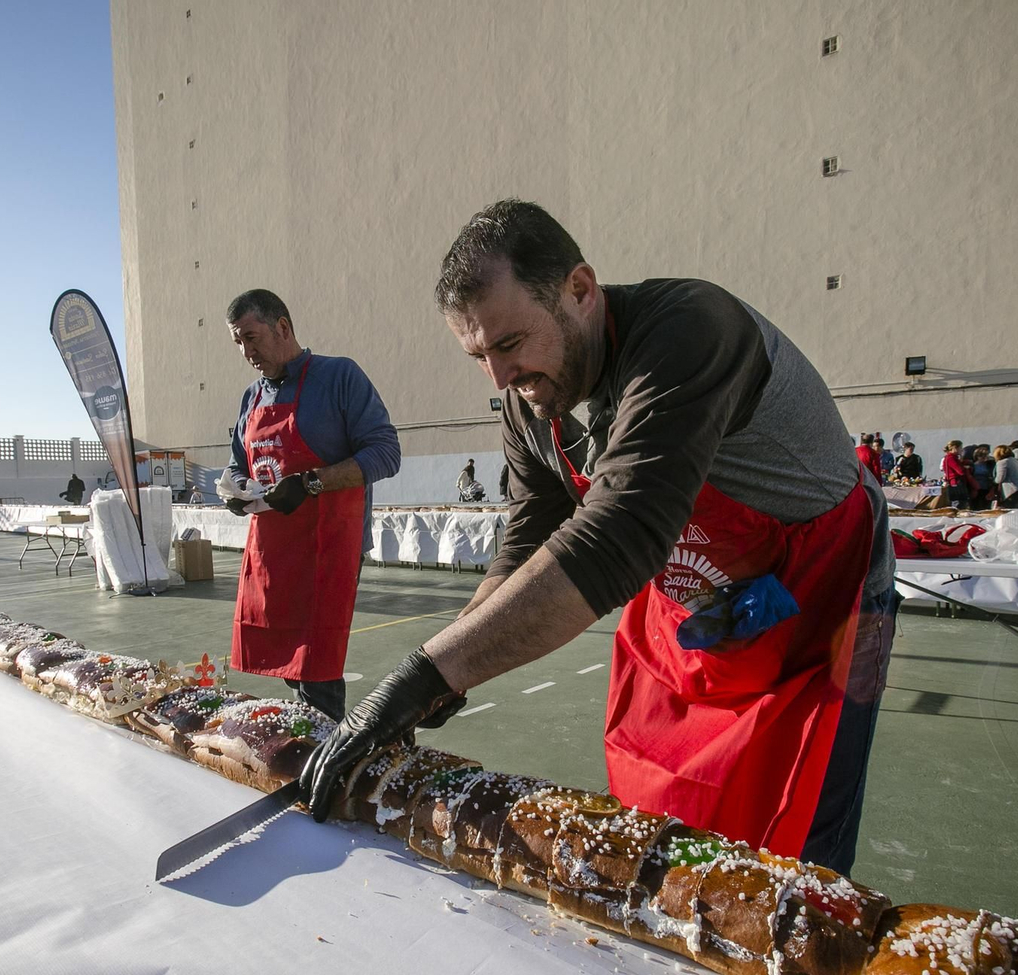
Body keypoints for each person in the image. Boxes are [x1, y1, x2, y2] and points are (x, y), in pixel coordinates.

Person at [299, 199, 898, 875]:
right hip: (698, 610)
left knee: (795, 857)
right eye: (477, 355)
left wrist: (422, 673)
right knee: (657, 830)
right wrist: (442, 674)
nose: (498, 379)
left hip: (821, 601)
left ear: (579, 290)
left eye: (508, 344)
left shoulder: (689, 332)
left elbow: (619, 536)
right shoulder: (533, 402)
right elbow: (526, 544)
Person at [219, 289, 401, 720]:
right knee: (290, 664)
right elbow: (237, 463)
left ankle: (326, 758)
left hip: (328, 547)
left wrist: (311, 483)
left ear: (283, 327)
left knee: (317, 669)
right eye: (238, 342)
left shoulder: (339, 377)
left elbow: (386, 453)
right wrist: (237, 491)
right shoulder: (252, 398)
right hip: (272, 550)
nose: (247, 351)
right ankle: (311, 740)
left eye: (252, 337)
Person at [991, 444, 1018, 508]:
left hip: (1015, 489)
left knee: (1009, 507)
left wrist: (993, 481)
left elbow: (1000, 478)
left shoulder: (1002, 462)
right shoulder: (1013, 460)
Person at [941, 440, 971, 509]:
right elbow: (960, 471)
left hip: (955, 482)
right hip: (956, 482)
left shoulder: (951, 458)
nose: (961, 450)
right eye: (960, 448)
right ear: (955, 448)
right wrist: (966, 468)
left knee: (960, 502)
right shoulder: (951, 458)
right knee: (960, 502)